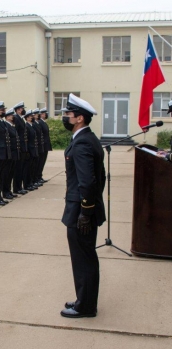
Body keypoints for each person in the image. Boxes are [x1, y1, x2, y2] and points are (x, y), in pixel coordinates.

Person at [60, 93, 106, 318]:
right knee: (86, 257)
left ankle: (85, 306)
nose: (66, 117)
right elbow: (101, 177)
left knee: (83, 259)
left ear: (79, 118)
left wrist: (86, 212)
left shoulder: (82, 143)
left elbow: (88, 182)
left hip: (80, 213)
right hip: (84, 210)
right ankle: (84, 299)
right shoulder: (89, 139)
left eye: (68, 114)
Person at [3, 108, 20, 199]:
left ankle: (9, 190)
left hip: (14, 153)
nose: (12, 117)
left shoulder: (11, 126)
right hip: (10, 153)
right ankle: (5, 191)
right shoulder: (6, 125)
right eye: (11, 116)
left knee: (11, 174)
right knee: (7, 174)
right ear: (7, 117)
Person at [12, 101, 28, 195]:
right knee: (18, 169)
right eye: (22, 109)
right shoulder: (16, 119)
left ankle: (19, 187)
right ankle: (16, 188)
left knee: (21, 168)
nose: (23, 110)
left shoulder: (20, 119)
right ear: (18, 110)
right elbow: (16, 133)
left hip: (22, 146)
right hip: (19, 147)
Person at [23, 109, 38, 191]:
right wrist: (27, 150)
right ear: (27, 118)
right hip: (30, 150)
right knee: (27, 169)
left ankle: (31, 182)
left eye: (32, 116)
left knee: (32, 168)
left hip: (33, 149)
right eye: (30, 116)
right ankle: (27, 184)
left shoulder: (31, 126)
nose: (32, 117)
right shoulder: (27, 126)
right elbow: (26, 140)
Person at [38, 107, 52, 182]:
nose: (45, 115)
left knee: (43, 161)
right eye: (44, 113)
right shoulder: (40, 122)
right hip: (42, 145)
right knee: (40, 162)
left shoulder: (43, 122)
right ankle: (38, 176)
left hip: (45, 145)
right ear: (41, 114)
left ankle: (40, 176)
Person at [31, 108, 44, 187]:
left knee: (38, 164)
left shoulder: (37, 123)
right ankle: (34, 179)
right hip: (34, 147)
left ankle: (37, 178)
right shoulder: (34, 124)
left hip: (38, 146)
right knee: (34, 166)